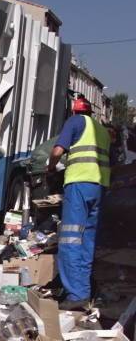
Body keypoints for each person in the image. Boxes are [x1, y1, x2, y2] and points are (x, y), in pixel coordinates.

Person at [48, 97, 111, 310]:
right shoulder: (101, 130)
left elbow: (57, 151)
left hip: (79, 184)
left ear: (73, 111)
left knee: (70, 239)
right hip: (99, 186)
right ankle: (83, 288)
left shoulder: (74, 122)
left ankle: (76, 294)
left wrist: (51, 167)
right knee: (87, 240)